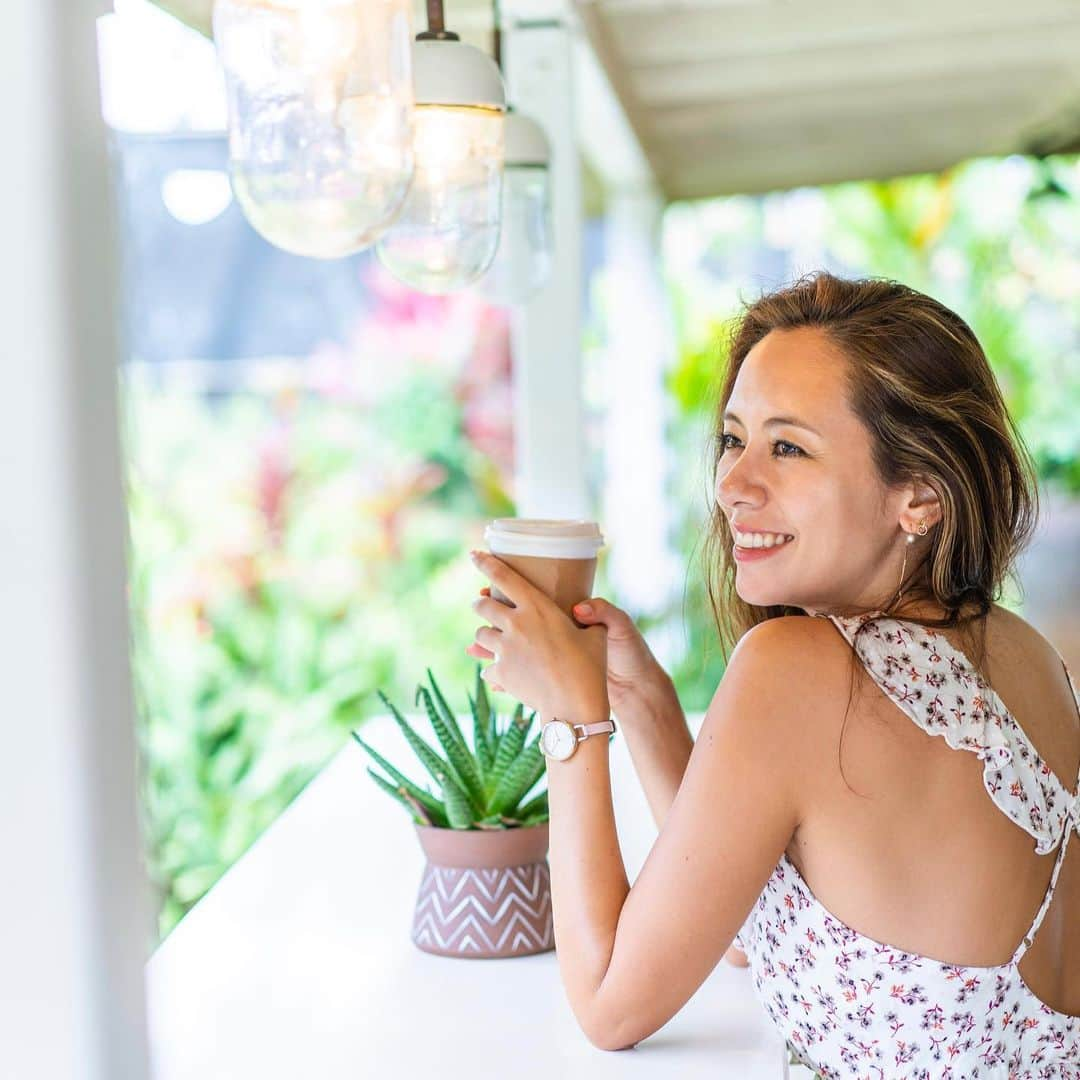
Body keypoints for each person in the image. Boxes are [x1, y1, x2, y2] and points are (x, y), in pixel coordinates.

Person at [467, 271, 1079, 1076]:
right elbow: (750, 930)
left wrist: (572, 723)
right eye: (733, 439)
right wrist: (644, 700)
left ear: (920, 496)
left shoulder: (797, 671)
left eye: (787, 447)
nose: (732, 486)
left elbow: (611, 1002)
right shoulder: (1026, 652)